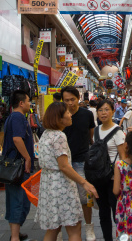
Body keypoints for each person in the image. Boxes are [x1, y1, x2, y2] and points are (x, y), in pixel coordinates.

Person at [35, 102, 99, 241]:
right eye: (67, 113)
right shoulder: (59, 136)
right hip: (61, 186)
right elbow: (64, 166)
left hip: (48, 186)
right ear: (59, 118)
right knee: (74, 229)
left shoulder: (46, 134)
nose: (71, 115)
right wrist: (84, 183)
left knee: (53, 229)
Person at [61, 86, 97, 241]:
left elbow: (91, 137)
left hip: (81, 160)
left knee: (85, 197)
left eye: (72, 99)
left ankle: (89, 227)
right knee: (63, 198)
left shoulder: (87, 115)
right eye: (66, 100)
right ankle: (60, 230)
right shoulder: (60, 115)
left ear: (78, 98)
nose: (70, 103)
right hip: (63, 163)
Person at [2, 90, 35, 241]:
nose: (30, 103)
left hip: (16, 167)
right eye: (28, 101)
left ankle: (16, 233)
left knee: (19, 200)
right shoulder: (17, 117)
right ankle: (15, 237)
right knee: (18, 200)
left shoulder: (13, 117)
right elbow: (17, 139)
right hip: (18, 167)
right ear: (21, 103)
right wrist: (27, 158)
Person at [93, 99, 126, 241]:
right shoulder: (95, 130)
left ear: (113, 111)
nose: (103, 113)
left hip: (114, 178)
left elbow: (123, 158)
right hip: (99, 178)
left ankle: (122, 237)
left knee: (117, 212)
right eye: (100, 110)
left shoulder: (118, 132)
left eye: (106, 110)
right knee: (103, 213)